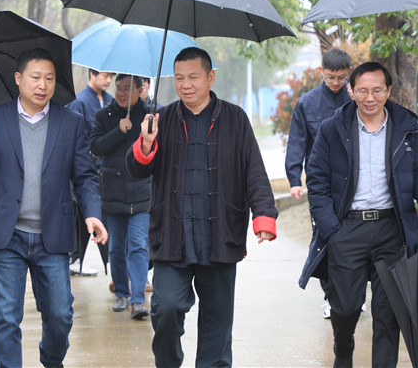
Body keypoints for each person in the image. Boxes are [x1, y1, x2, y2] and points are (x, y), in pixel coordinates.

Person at [126, 47, 277, 367]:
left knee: (217, 323)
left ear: (210, 77)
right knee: (165, 309)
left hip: (219, 235)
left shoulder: (235, 118)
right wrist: (146, 142)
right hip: (172, 237)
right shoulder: (161, 119)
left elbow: (253, 170)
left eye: (193, 77)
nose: (186, 85)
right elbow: (136, 169)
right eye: (179, 78)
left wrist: (264, 215)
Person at [0, 48, 108, 368]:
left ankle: (51, 360)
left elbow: (85, 176)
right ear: (18, 78)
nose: (43, 85)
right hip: (7, 234)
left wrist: (92, 214)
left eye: (50, 78)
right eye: (36, 77)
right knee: (5, 317)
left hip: (52, 235)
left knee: (60, 315)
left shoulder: (70, 122)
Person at [299, 61, 418, 368]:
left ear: (388, 90)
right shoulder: (332, 128)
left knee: (389, 313)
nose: (370, 97)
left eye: (377, 90)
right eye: (362, 91)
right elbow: (317, 181)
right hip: (347, 229)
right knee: (346, 308)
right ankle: (343, 348)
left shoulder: (408, 126)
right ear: (351, 91)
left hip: (392, 228)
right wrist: (331, 229)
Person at [285, 48, 352, 319]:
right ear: (321, 72)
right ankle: (331, 296)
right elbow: (297, 142)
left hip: (354, 181)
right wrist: (294, 179)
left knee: (354, 240)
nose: (336, 82)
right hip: (322, 184)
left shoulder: (357, 99)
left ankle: (353, 294)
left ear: (349, 73)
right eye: (330, 77)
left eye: (341, 78)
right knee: (326, 238)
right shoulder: (308, 103)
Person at [90, 74, 151, 320]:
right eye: (118, 88)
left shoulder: (150, 116)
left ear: (140, 90)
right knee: (116, 247)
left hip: (142, 192)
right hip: (113, 191)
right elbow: (95, 147)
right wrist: (119, 130)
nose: (121, 93)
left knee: (138, 245)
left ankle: (138, 299)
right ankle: (122, 293)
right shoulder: (104, 115)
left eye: (127, 89)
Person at [66, 68, 115, 276]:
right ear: (92, 74)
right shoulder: (79, 102)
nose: (108, 80)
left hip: (106, 167)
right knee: (82, 213)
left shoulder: (111, 101)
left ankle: (106, 260)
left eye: (111, 76)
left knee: (101, 214)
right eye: (104, 75)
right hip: (85, 167)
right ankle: (75, 258)